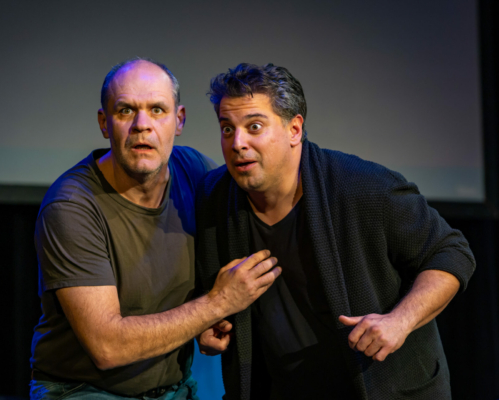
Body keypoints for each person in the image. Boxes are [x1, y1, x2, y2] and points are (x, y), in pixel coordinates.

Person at [195, 63, 476, 400]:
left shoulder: (363, 187)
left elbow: (451, 252)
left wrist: (400, 320)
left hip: (385, 389)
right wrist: (209, 322)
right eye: (227, 129)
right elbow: (211, 294)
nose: (237, 143)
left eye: (254, 126)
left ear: (294, 129)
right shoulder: (214, 196)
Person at [29, 58, 282, 400]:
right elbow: (107, 347)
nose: (142, 125)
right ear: (104, 123)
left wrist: (209, 321)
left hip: (171, 390)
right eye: (125, 111)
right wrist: (215, 305)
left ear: (179, 120)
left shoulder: (193, 171)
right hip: (83, 390)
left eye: (157, 110)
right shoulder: (71, 206)